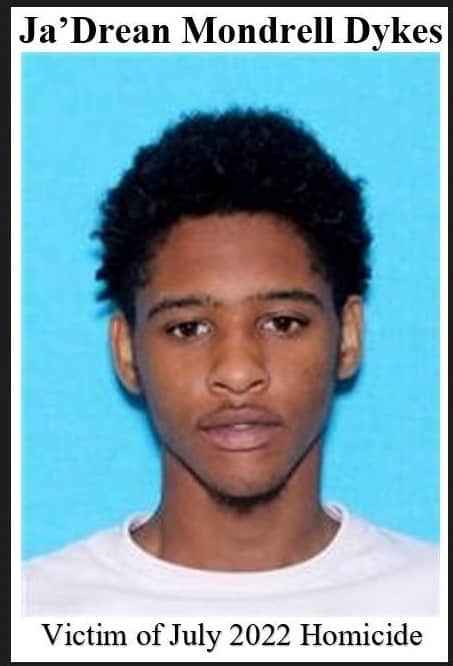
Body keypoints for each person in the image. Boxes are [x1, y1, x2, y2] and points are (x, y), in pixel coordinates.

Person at [22, 108, 438, 616]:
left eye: (282, 323)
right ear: (127, 351)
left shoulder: (431, 602)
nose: (238, 373)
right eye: (188, 328)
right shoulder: (34, 612)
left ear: (348, 337)